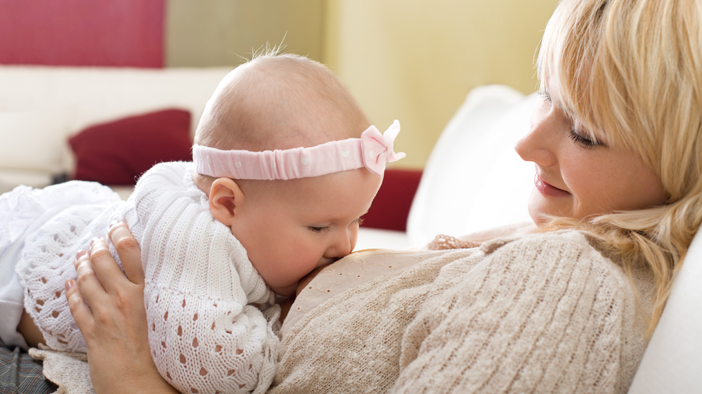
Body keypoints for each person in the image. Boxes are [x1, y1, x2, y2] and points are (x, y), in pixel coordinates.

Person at [22, 0, 700, 392]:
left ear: (677, 160)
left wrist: (135, 380)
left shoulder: (569, 283)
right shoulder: (548, 244)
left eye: (583, 131)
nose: (525, 145)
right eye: (546, 98)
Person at [0, 54, 405, 393]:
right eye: (320, 228)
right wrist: (280, 318)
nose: (344, 246)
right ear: (227, 203)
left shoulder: (242, 225)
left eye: (357, 220)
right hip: (13, 263)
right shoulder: (200, 241)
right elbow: (215, 368)